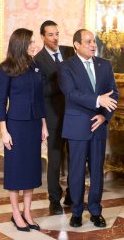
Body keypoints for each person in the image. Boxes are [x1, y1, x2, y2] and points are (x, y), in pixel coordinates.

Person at [58, 29, 118, 228]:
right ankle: (76, 211)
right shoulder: (66, 66)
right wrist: (97, 100)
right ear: (76, 45)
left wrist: (104, 116)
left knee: (97, 172)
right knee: (75, 172)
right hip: (76, 127)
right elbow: (70, 93)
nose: (93, 45)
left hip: (98, 126)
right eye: (88, 42)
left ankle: (95, 211)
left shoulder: (105, 65)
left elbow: (113, 94)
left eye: (94, 41)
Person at [0, 28, 48, 232]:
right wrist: (4, 131)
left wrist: (44, 125)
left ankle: (27, 212)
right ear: (20, 44)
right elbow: (1, 102)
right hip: (15, 126)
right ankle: (16, 213)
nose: (34, 45)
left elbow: (40, 99)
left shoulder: (36, 66)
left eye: (34, 41)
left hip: (34, 124)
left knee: (31, 170)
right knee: (16, 171)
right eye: (31, 42)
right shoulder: (6, 68)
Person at [34, 20, 75, 215]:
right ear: (42, 36)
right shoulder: (37, 60)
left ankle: (72, 195)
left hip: (75, 114)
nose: (55, 37)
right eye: (50, 34)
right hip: (53, 118)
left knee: (76, 158)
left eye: (57, 33)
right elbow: (41, 91)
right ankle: (54, 200)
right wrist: (63, 81)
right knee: (55, 160)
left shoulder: (69, 52)